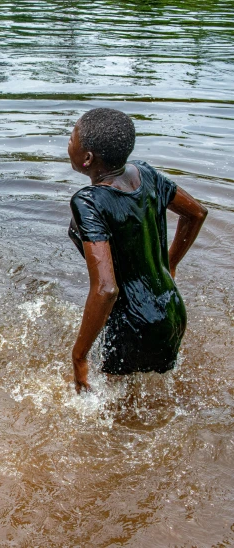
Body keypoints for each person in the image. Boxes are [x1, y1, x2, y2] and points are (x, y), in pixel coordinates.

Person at [67, 108, 208, 392]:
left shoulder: (89, 202)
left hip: (132, 324)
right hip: (171, 309)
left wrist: (79, 356)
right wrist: (169, 265)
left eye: (72, 137)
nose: (68, 142)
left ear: (87, 158)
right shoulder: (145, 172)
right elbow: (197, 213)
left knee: (114, 414)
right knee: (152, 400)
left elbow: (106, 289)